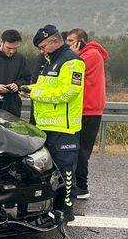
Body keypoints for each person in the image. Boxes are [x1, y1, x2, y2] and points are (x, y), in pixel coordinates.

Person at [21, 24, 85, 222]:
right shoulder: (50, 61)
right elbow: (45, 86)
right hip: (45, 125)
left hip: (63, 128)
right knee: (46, 169)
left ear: (54, 42)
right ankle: (47, 206)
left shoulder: (73, 63)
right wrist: (28, 88)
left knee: (65, 171)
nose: (41, 51)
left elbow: (68, 92)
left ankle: (66, 209)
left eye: (43, 47)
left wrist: (36, 93)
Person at [66, 28, 109, 200]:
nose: (67, 44)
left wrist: (73, 55)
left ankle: (81, 187)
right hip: (86, 108)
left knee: (82, 150)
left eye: (70, 41)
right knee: (78, 149)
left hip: (89, 109)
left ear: (80, 41)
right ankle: (77, 185)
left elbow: (71, 70)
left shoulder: (90, 55)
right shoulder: (89, 54)